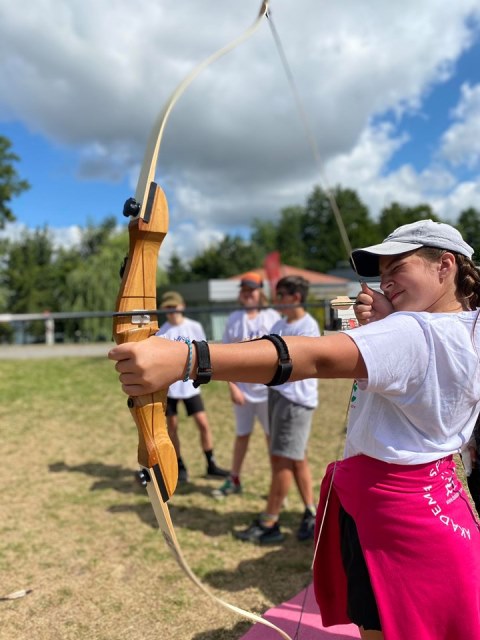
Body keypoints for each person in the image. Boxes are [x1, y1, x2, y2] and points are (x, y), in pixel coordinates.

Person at [109, 219, 480, 640]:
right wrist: (389, 323)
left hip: (395, 520)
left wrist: (186, 359)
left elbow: (314, 357)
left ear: (444, 265)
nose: (386, 282)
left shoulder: (411, 331)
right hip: (439, 511)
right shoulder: (467, 327)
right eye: (382, 274)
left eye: (398, 268)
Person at [234, 276, 320, 544]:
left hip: (294, 402)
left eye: (281, 294)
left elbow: (294, 365)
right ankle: (311, 511)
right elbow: (265, 353)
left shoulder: (308, 327)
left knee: (283, 460)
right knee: (295, 457)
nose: (276, 299)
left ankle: (269, 522)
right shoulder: (279, 324)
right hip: (278, 397)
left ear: (296, 297)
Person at [212, 272, 280, 498]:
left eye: (252, 290)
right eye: (244, 290)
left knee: (272, 439)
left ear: (261, 293)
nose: (248, 294)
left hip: (268, 390)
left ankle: (277, 485)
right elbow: (224, 357)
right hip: (243, 391)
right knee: (242, 435)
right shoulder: (234, 318)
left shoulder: (272, 317)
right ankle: (234, 478)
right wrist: (232, 387)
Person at [157, 291, 229, 482]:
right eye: (167, 308)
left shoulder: (194, 327)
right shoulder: (162, 332)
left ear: (182, 306)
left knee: (203, 424)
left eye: (174, 307)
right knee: (172, 427)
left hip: (190, 386)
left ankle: (211, 463)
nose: (171, 311)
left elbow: (203, 351)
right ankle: (179, 465)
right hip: (171, 388)